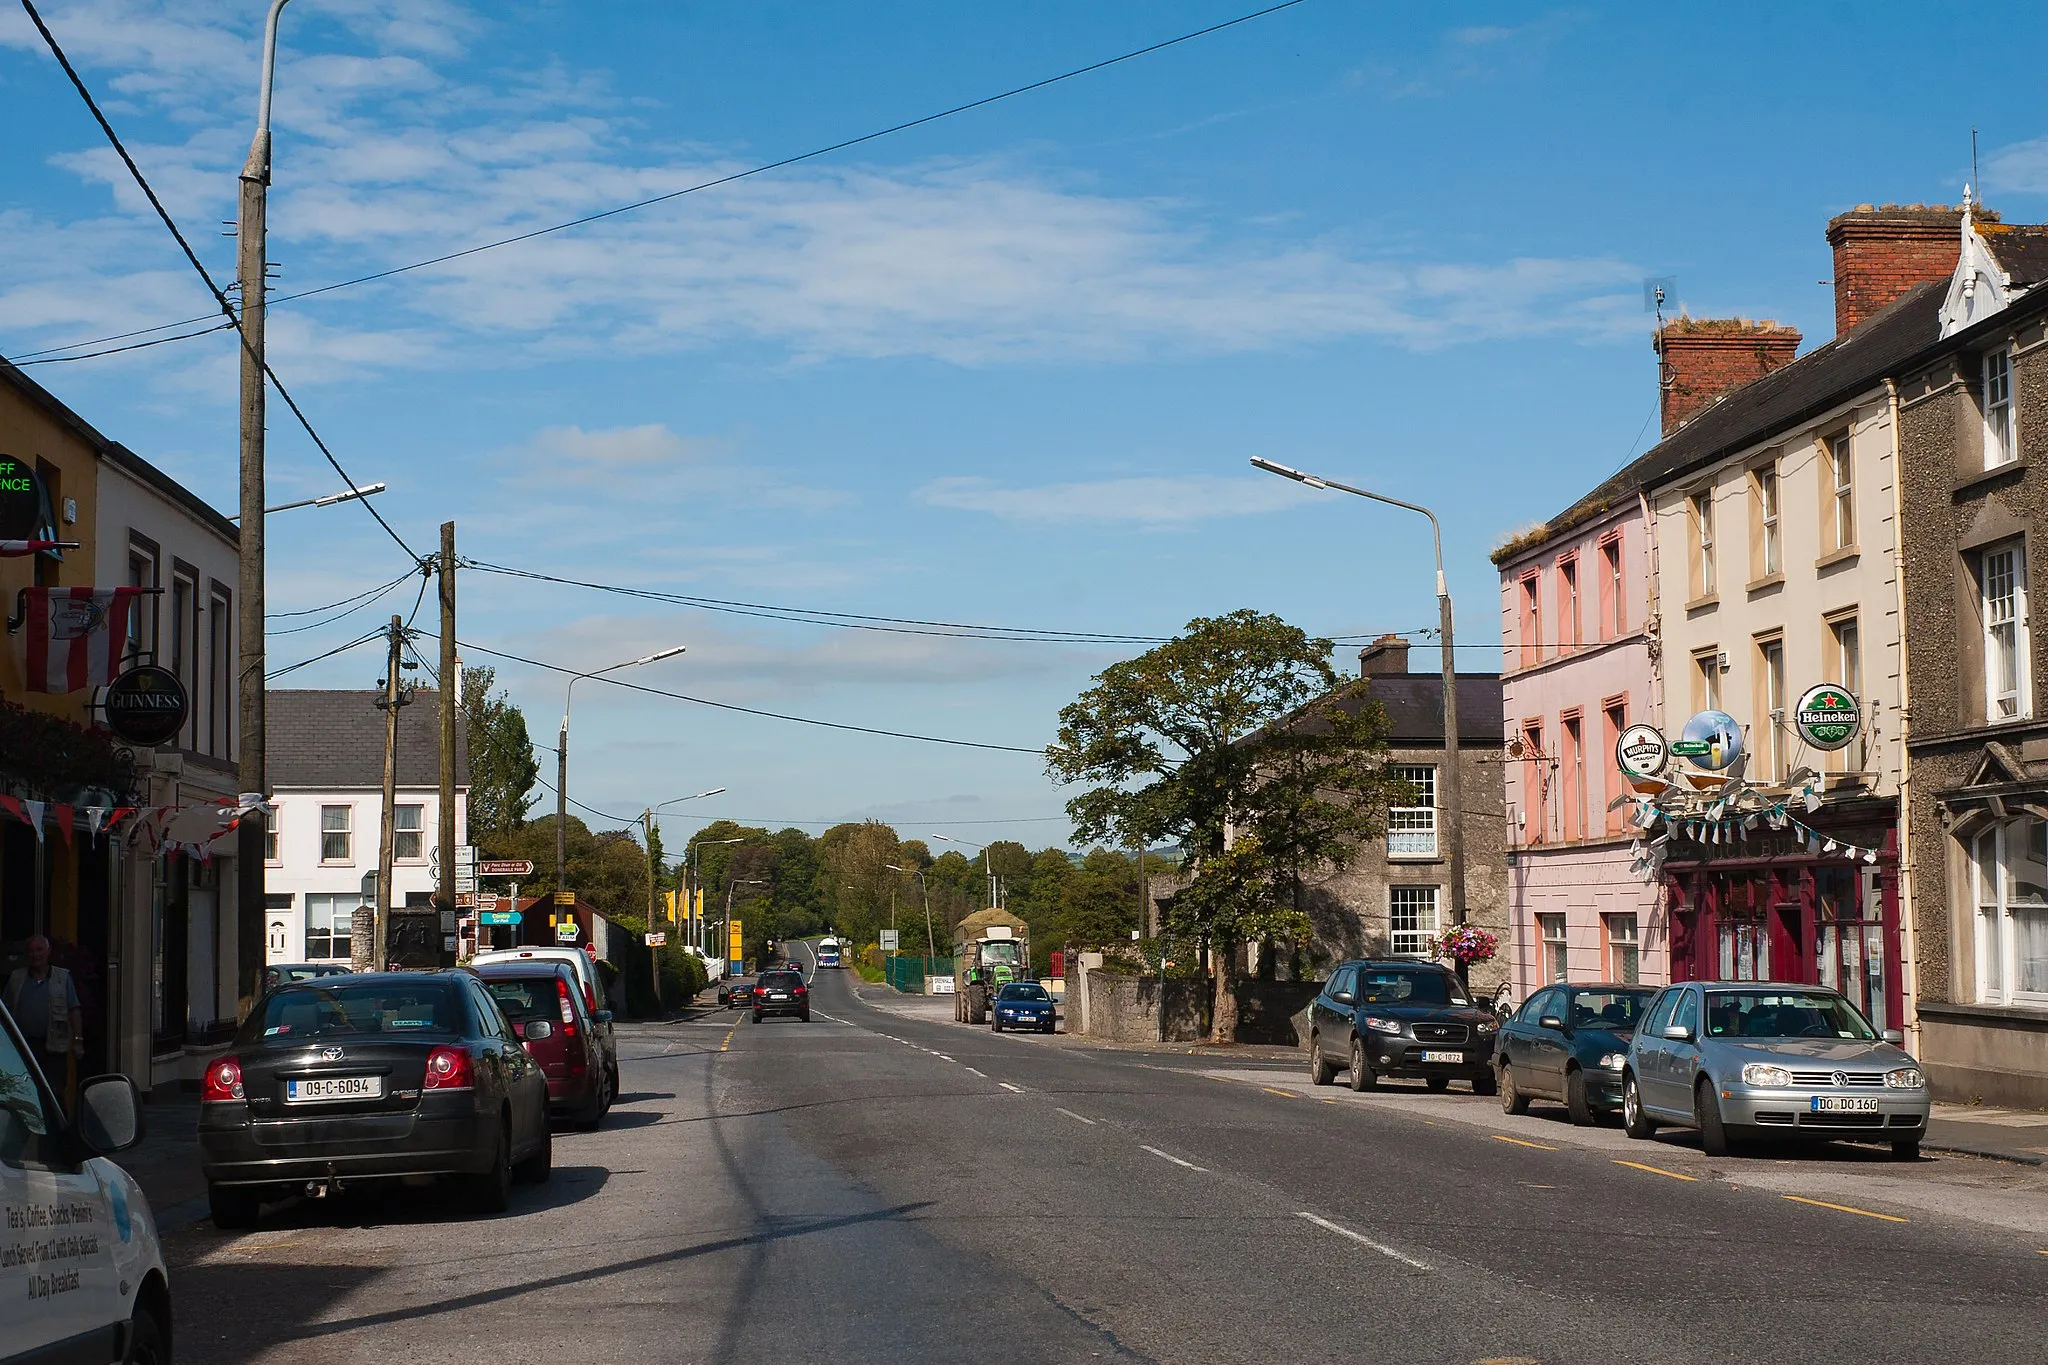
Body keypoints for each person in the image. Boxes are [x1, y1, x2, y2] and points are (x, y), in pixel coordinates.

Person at [3, 935, 84, 1105]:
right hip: (23, 1047)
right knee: (23, 1093)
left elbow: (74, 1010)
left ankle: (58, 1130)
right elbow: (6, 1010)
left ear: (48, 952)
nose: (35, 954)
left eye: (39, 950)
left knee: (55, 1094)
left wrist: (78, 1041)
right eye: (31, 951)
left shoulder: (62, 977)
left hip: (54, 1048)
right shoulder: (16, 978)